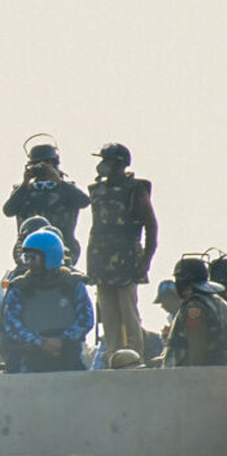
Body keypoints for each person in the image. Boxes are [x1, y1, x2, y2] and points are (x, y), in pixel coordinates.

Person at [86, 142, 157, 362]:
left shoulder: (135, 189)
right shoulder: (96, 189)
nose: (102, 165)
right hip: (101, 259)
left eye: (106, 160)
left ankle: (135, 359)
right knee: (108, 317)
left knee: (129, 313)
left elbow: (151, 226)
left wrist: (146, 259)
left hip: (126, 258)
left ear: (119, 163)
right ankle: (113, 360)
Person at [1, 230, 94, 373]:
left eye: (33, 258)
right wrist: (39, 343)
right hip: (30, 358)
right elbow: (11, 322)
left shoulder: (72, 284)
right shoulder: (20, 287)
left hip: (68, 356)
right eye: (26, 258)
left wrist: (62, 341)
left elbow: (86, 318)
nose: (29, 263)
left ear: (50, 257)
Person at [2, 143, 91, 264]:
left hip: (63, 248)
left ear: (54, 164)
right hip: (28, 251)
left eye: (45, 164)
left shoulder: (66, 189)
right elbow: (8, 210)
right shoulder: (25, 191)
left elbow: (84, 202)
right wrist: (25, 184)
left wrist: (58, 181)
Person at [160, 257, 227, 367]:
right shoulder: (218, 302)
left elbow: (197, 350)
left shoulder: (194, 306)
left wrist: (194, 379)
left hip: (194, 378)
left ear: (183, 282)